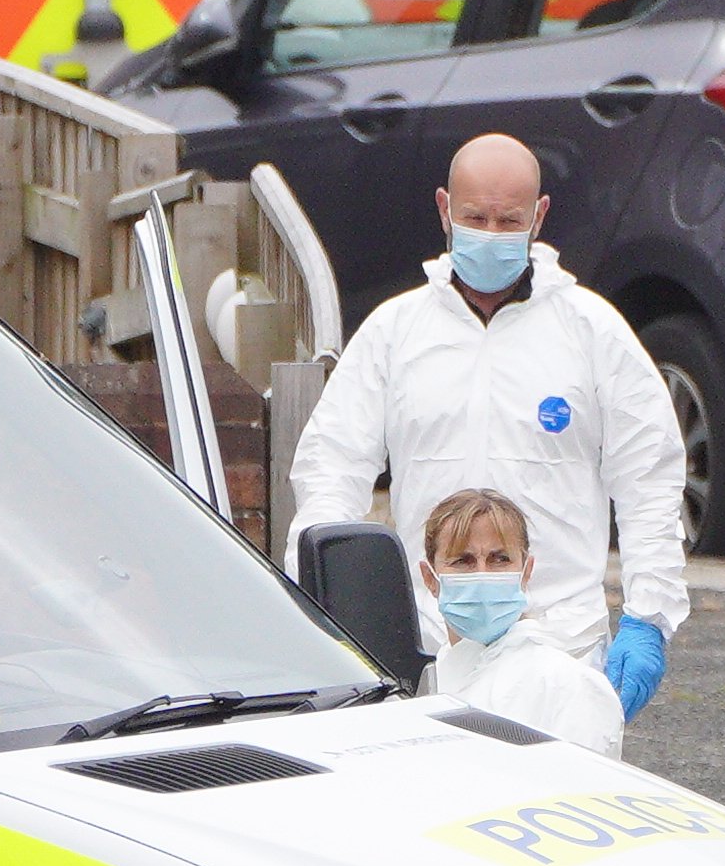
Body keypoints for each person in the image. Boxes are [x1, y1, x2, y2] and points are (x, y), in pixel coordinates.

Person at [288, 131, 686, 715]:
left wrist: (648, 617)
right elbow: (330, 469)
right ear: (445, 209)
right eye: (476, 218)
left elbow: (649, 480)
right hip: (425, 647)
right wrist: (323, 601)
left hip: (563, 645)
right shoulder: (396, 333)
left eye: (509, 220)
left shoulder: (592, 333)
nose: (493, 235)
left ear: (539, 216)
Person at [416, 486, 627, 752]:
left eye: (500, 559)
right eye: (463, 561)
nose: (483, 574)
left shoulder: (566, 685)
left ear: (526, 572)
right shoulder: (433, 681)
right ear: (429, 578)